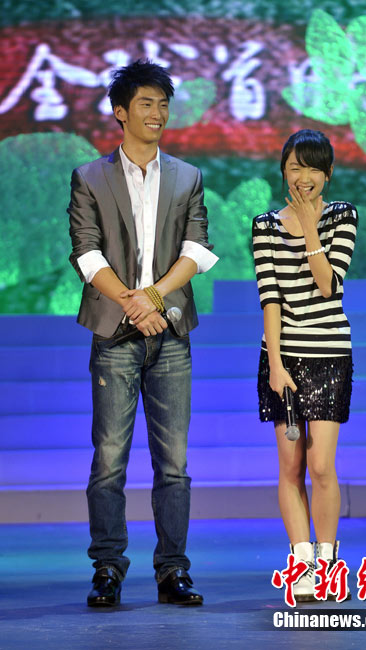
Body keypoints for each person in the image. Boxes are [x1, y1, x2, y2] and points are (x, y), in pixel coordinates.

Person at [68, 59, 218, 607]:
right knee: (109, 460)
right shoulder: (90, 176)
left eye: (163, 105)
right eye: (146, 104)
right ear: (120, 112)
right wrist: (132, 304)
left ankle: (172, 570)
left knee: (173, 464)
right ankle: (108, 567)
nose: (157, 114)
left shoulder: (187, 176)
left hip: (171, 331)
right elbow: (87, 254)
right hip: (113, 333)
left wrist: (151, 298)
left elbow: (196, 250)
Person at [252, 129, 357, 602]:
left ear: (327, 174)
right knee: (291, 466)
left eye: (314, 167)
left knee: (321, 465)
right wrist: (275, 364)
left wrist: (310, 227)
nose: (304, 176)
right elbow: (270, 298)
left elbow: (328, 285)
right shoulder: (265, 225)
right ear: (283, 171)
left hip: (329, 354)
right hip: (283, 357)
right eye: (295, 167)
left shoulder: (343, 216)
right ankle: (302, 564)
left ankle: (328, 562)